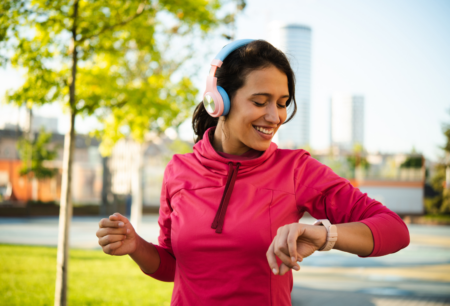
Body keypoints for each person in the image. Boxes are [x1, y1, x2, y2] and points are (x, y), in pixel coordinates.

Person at [96, 39, 410, 305]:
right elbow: (173, 267)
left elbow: (395, 231)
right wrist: (137, 246)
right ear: (218, 101)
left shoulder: (297, 170)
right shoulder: (179, 171)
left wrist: (324, 235)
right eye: (260, 101)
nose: (275, 117)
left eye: (283, 103)